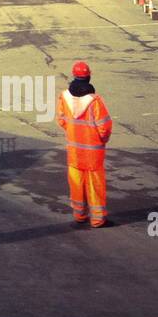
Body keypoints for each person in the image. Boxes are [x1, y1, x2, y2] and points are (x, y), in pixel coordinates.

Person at [55, 60, 113, 228]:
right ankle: (97, 219)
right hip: (93, 153)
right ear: (88, 77)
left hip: (74, 150)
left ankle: (79, 215)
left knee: (76, 183)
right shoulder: (94, 101)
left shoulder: (64, 97)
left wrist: (74, 133)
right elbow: (105, 127)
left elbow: (61, 120)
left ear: (74, 76)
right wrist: (101, 140)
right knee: (95, 185)